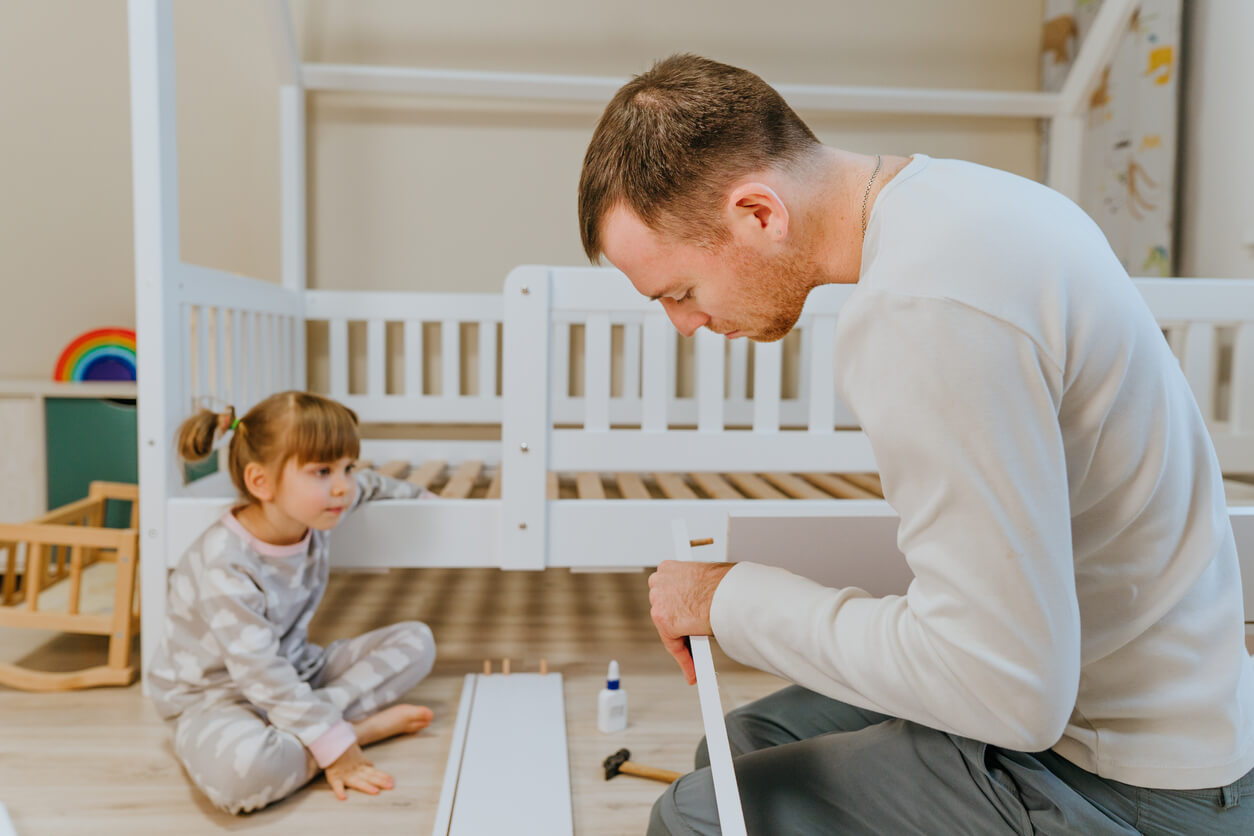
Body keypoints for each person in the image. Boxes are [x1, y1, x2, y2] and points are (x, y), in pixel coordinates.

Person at [578, 54, 1254, 835]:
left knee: (697, 814)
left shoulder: (921, 309)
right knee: (740, 747)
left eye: (680, 293)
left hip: (1129, 778)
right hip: (1177, 708)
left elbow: (1009, 692)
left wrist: (728, 598)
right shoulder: (968, 201)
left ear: (759, 213)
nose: (685, 325)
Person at [147, 391, 438, 814]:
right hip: (214, 697)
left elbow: (371, 485)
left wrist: (420, 497)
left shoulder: (318, 507)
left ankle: (310, 730)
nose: (342, 485)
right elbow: (257, 672)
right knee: (240, 779)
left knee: (418, 641)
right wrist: (338, 749)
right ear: (260, 482)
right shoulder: (225, 562)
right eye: (322, 470)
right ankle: (354, 730)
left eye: (347, 467)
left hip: (295, 670)